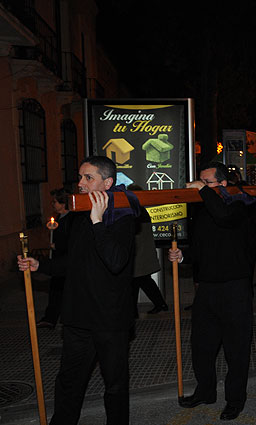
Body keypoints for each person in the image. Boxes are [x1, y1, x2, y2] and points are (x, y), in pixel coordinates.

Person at [18, 156, 137, 425]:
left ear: (107, 183)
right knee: (69, 382)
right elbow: (74, 261)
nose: (80, 184)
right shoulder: (78, 215)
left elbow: (116, 261)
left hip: (110, 319)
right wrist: (41, 265)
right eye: (80, 177)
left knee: (115, 386)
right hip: (78, 317)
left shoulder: (123, 216)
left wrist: (98, 222)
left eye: (88, 178)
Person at [169, 161, 256, 421]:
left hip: (235, 288)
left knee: (236, 349)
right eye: (201, 182)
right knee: (202, 346)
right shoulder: (205, 209)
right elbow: (203, 246)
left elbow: (224, 217)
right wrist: (183, 255)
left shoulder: (239, 203)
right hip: (207, 288)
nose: (201, 187)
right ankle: (205, 391)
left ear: (223, 184)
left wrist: (205, 193)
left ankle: (235, 400)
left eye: (206, 182)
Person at [127, 184, 168, 316]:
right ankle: (159, 304)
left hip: (139, 253)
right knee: (142, 281)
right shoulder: (140, 211)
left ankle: (134, 312)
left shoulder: (135, 212)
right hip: (142, 253)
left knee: (137, 282)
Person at [37, 188, 72, 329]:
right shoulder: (59, 218)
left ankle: (56, 318)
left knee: (62, 291)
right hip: (58, 261)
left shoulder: (71, 219)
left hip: (65, 261)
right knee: (56, 291)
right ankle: (50, 318)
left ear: (63, 204)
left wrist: (57, 246)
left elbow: (71, 241)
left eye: (55, 202)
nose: (53, 205)